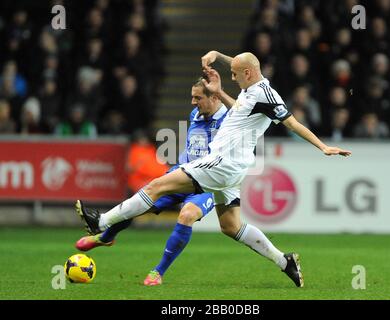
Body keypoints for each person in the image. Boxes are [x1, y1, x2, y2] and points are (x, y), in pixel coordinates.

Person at [76, 51, 351, 288]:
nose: (231, 78)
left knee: (156, 186)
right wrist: (219, 60)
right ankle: (284, 260)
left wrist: (323, 147)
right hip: (230, 168)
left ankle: (101, 222)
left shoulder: (267, 95)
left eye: (234, 74)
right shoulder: (250, 91)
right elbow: (242, 104)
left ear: (247, 72)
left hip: (222, 163)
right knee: (231, 226)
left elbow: (292, 123)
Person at [76, 77, 229, 286]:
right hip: (183, 173)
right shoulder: (196, 113)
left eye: (197, 97)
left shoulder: (230, 119)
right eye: (192, 97)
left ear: (214, 97)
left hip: (208, 184)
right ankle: (106, 236)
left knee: (187, 215)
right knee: (139, 204)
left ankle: (158, 272)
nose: (193, 102)